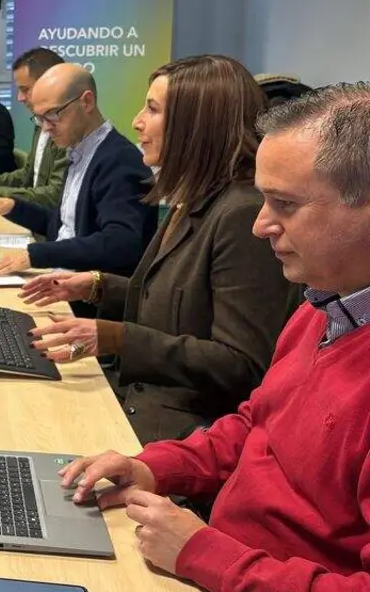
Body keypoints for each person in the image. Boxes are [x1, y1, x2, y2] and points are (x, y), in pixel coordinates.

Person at [59, 84, 370, 592]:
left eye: (286, 205)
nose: (261, 224)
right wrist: (153, 467)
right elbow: (256, 423)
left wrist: (204, 554)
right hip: (217, 568)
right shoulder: (321, 305)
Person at [19, 55, 302, 444]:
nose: (137, 121)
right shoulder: (196, 197)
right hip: (143, 397)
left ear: (195, 125)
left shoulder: (242, 215)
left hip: (181, 430)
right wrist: (97, 286)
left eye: (152, 110)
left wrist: (117, 337)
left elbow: (241, 365)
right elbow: (177, 305)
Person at [0, 64, 157, 277]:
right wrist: (13, 207)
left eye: (52, 114)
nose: (46, 127)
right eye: (39, 118)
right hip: (61, 278)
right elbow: (62, 227)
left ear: (86, 102)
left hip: (88, 297)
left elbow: (120, 243)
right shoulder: (79, 151)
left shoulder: (119, 160)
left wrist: (35, 256)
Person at [0, 48, 70, 208]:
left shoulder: (68, 131)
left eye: (25, 89)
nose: (20, 98)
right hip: (34, 213)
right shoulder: (40, 123)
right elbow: (27, 174)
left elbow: (56, 195)